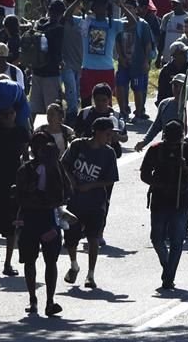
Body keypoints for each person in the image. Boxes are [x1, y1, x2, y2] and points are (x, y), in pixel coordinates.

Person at [140, 119, 188, 291]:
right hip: (160, 200)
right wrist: (158, 184)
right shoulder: (155, 150)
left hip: (181, 201)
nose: (173, 145)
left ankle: (169, 276)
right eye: (170, 142)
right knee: (156, 238)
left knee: (176, 240)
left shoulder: (187, 150)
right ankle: (167, 266)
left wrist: (185, 168)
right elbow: (144, 174)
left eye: (176, 142)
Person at [61, 117, 119, 290]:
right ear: (98, 132)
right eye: (108, 134)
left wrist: (91, 185)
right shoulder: (78, 145)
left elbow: (111, 179)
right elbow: (64, 164)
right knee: (71, 239)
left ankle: (91, 274)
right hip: (74, 201)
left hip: (95, 202)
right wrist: (72, 181)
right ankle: (74, 265)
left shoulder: (109, 153)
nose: (110, 138)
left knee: (93, 237)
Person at [15, 131, 68, 315]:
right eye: (40, 147)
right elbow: (19, 196)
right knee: (29, 261)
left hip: (48, 218)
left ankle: (50, 301)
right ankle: (33, 299)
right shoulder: (26, 169)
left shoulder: (57, 167)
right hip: (30, 219)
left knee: (51, 261)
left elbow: (66, 192)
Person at [0, 88, 29, 277]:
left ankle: (8, 263)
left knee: (12, 226)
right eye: (5, 114)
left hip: (14, 182)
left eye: (11, 113)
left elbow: (26, 156)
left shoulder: (21, 131)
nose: (9, 117)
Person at [67, 0, 139, 107]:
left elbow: (133, 23)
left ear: (107, 8)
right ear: (93, 8)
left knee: (106, 104)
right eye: (97, 5)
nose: (100, 8)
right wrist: (78, 0)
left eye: (103, 5)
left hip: (106, 69)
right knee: (86, 102)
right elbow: (66, 16)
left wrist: (121, 5)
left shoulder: (113, 24)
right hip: (88, 69)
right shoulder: (85, 22)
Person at [115, 0, 154, 123]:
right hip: (123, 63)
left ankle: (139, 112)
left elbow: (148, 45)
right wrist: (120, 57)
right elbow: (117, 41)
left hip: (138, 63)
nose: (128, 10)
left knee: (138, 89)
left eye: (130, 8)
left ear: (136, 10)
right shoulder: (120, 24)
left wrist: (146, 61)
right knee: (120, 86)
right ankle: (123, 111)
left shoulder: (143, 24)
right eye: (125, 7)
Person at [28, 0, 66, 115]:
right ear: (61, 13)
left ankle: (35, 131)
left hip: (36, 71)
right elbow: (56, 51)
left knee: (36, 109)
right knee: (52, 109)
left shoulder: (39, 24)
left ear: (49, 11)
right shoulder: (58, 29)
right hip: (51, 74)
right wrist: (61, 62)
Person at [155, 41, 188, 110]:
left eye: (186, 52)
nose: (185, 55)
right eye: (182, 53)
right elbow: (161, 92)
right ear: (174, 55)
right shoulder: (166, 70)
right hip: (170, 105)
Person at [157, 0, 188, 65]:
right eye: (172, 3)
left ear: (182, 4)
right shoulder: (167, 17)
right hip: (167, 57)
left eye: (176, 3)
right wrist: (159, 55)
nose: (173, 5)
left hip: (181, 58)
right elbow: (162, 36)